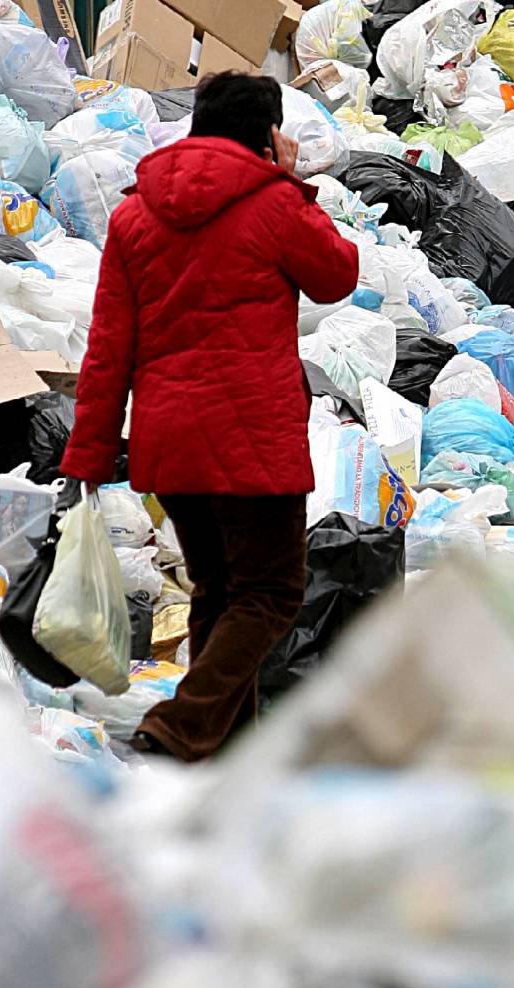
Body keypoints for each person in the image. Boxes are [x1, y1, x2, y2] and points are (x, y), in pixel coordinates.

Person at [61, 72, 360, 760]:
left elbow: (108, 349)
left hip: (171, 445)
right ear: (267, 134)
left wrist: (87, 458)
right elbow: (337, 275)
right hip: (253, 438)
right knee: (272, 592)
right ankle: (181, 724)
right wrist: (294, 184)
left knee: (219, 594)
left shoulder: (134, 214)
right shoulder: (275, 203)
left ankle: (222, 756)